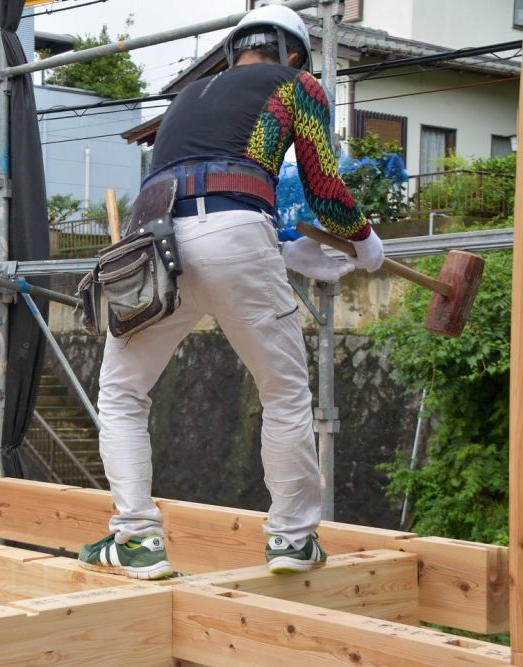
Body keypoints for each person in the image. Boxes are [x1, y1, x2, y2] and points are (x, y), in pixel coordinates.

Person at [77, 3, 384, 579]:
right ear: (295, 52)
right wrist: (364, 241)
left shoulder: (189, 97)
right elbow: (321, 187)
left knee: (121, 393)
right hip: (237, 232)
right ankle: (292, 540)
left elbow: (204, 183)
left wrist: (286, 246)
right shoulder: (297, 84)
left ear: (234, 49)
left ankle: (136, 538)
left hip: (153, 244)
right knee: (284, 391)